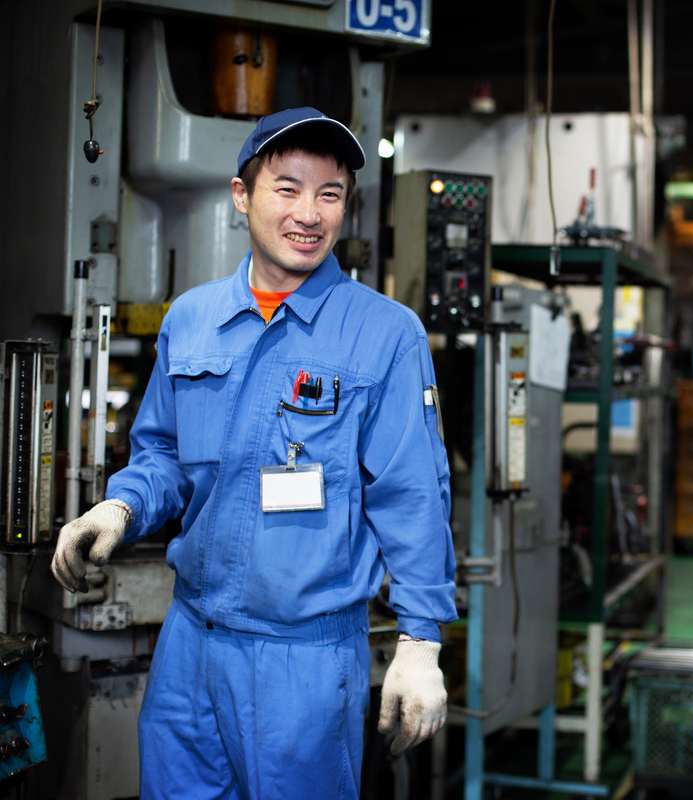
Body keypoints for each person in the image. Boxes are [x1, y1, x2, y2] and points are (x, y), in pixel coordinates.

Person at [50, 107, 456, 799]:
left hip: (303, 661)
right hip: (190, 645)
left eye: (330, 195)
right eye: (288, 188)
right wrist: (120, 505)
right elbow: (166, 456)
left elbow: (413, 494)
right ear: (242, 197)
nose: (309, 213)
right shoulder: (193, 318)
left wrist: (421, 643)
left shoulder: (386, 334)